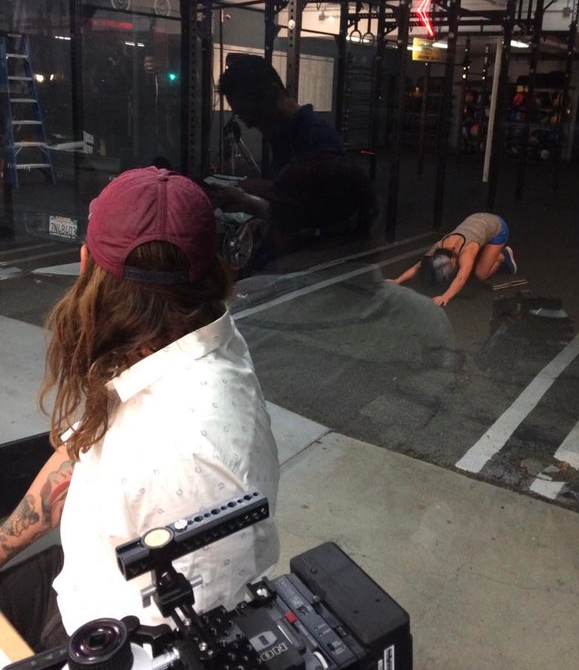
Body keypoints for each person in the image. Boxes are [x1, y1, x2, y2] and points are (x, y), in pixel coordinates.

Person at [0, 166, 279, 650]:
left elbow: (192, 642)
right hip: (86, 574)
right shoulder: (165, 342)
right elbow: (81, 454)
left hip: (109, 638)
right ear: (212, 272)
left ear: (86, 266)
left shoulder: (192, 461)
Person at [212, 55, 376, 253]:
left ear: (272, 94)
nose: (248, 123)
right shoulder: (285, 134)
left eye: (250, 112)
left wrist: (249, 203)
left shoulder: (316, 138)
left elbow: (315, 221)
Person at [390, 212, 517, 306]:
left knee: (480, 274)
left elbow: (461, 278)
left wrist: (446, 296)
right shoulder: (440, 245)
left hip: (497, 227)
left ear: (453, 260)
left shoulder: (467, 251)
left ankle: (503, 255)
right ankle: (487, 255)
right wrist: (397, 280)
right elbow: (419, 265)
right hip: (476, 219)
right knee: (474, 264)